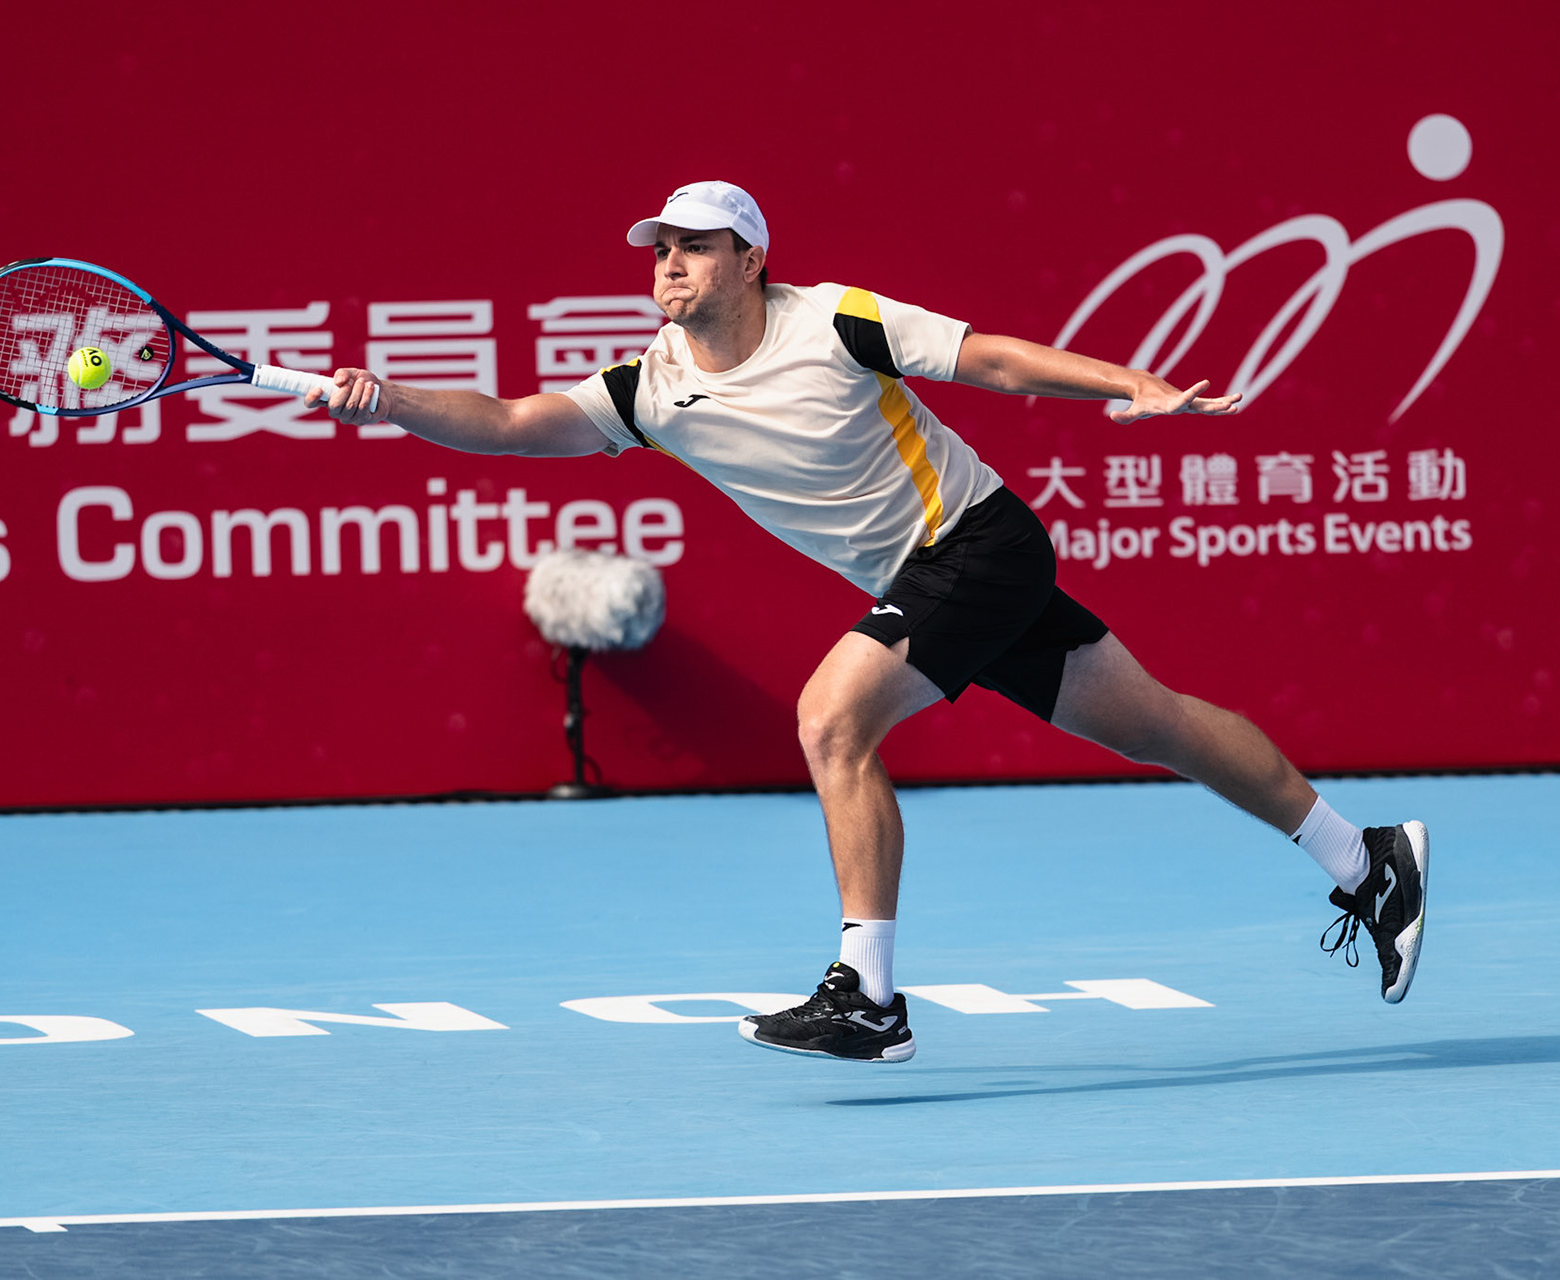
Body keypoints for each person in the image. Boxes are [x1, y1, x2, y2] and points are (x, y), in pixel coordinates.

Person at [314, 180, 1428, 1063]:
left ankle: (868, 997)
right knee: (1158, 725)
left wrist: (1123, 382)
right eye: (660, 247)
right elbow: (512, 421)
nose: (668, 263)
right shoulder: (648, 387)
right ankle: (1365, 857)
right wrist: (393, 399)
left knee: (831, 718)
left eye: (694, 246)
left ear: (751, 260)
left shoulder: (837, 319)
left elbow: (989, 357)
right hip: (938, 571)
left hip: (977, 543)